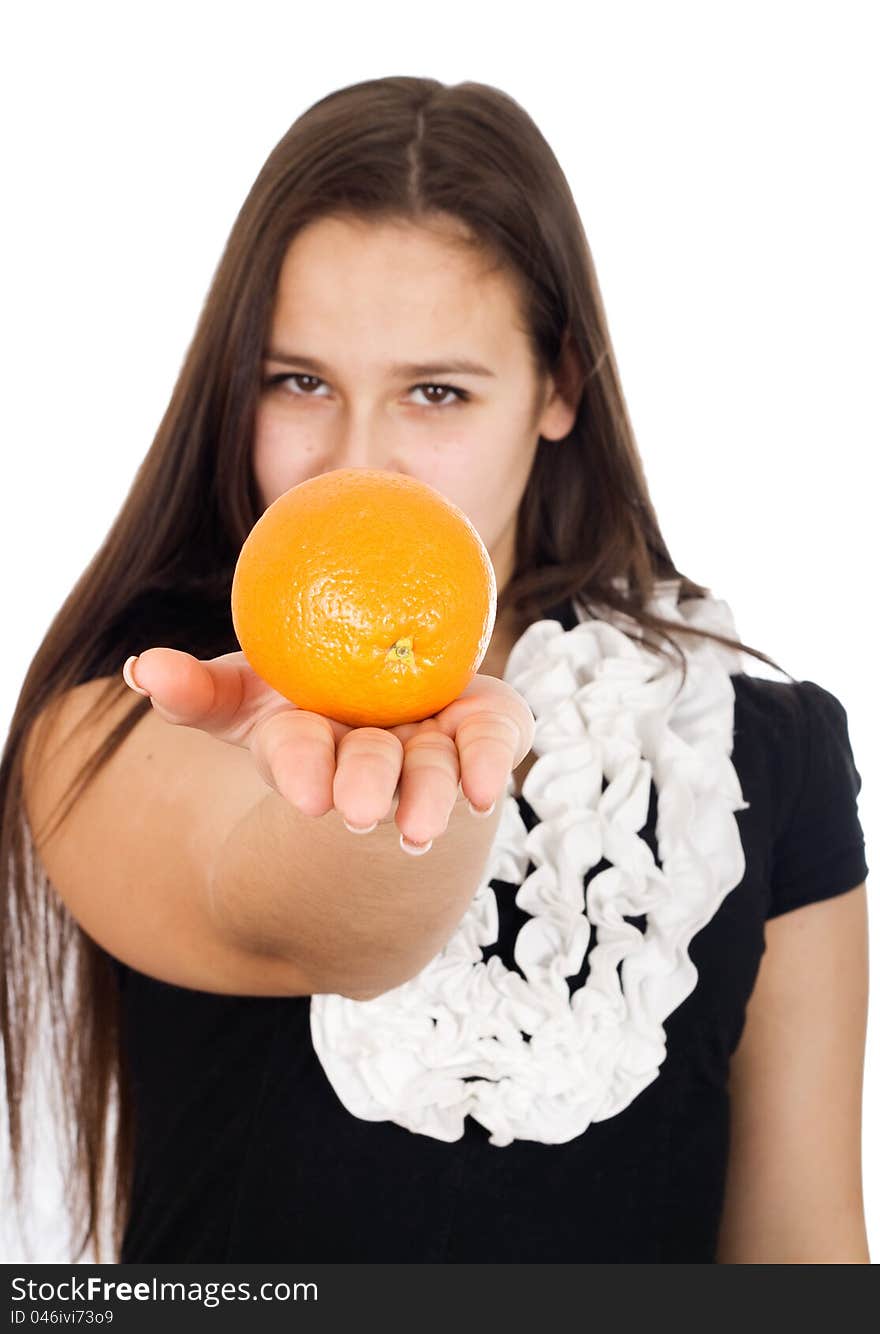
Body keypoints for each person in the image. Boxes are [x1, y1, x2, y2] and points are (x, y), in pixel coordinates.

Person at [0, 76, 870, 1265]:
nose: (358, 465)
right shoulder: (141, 698)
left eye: (437, 391)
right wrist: (390, 774)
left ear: (559, 387)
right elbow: (316, 926)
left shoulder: (764, 754)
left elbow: (800, 1251)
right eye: (298, 381)